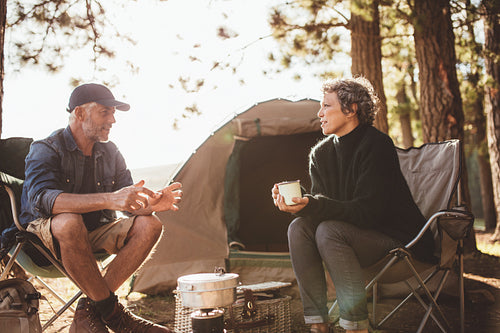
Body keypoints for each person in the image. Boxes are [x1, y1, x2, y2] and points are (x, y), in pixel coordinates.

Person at [271, 77, 435, 333]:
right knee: (299, 227)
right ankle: (318, 324)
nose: (319, 113)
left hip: (394, 242)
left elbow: (367, 214)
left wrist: (314, 204)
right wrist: (302, 203)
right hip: (347, 241)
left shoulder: (377, 145)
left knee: (328, 230)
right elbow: (324, 207)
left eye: (326, 106)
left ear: (351, 109)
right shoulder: (320, 154)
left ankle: (356, 326)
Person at [20, 83, 183, 333]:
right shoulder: (46, 148)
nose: (113, 120)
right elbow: (43, 200)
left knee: (150, 224)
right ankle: (115, 316)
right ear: (80, 113)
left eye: (113, 113)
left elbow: (125, 203)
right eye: (105, 112)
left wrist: (149, 205)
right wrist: (110, 199)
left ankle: (91, 309)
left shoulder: (110, 152)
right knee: (69, 221)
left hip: (94, 231)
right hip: (44, 239)